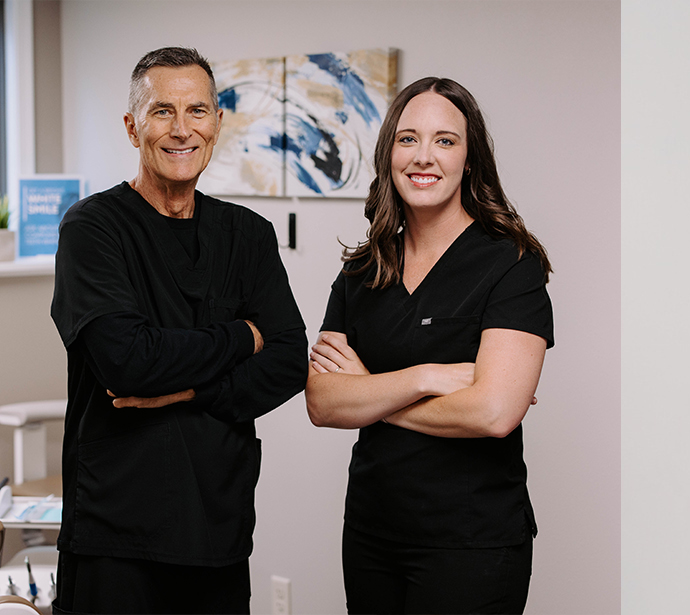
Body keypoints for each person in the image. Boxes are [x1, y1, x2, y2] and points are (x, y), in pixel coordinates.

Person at [48, 47, 307, 613]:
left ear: (217, 123)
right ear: (132, 125)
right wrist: (242, 337)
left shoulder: (249, 236)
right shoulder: (92, 229)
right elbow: (128, 361)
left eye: (197, 111)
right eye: (162, 111)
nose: (181, 129)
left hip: (217, 526)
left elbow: (289, 357)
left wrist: (191, 388)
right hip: (114, 533)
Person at [305, 77, 553, 614]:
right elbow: (323, 403)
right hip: (372, 533)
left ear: (470, 159)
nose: (424, 156)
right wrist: (423, 378)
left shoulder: (511, 264)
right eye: (408, 138)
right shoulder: (362, 271)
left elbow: (493, 412)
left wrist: (371, 394)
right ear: (388, 153)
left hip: (473, 543)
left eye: (445, 140)